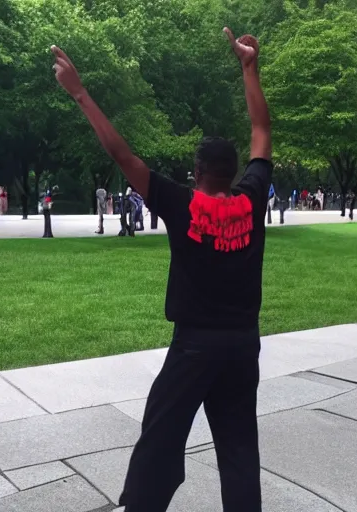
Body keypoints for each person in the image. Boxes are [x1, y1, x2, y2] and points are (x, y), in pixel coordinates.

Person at [52, 25, 271, 512]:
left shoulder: (181, 204)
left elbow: (121, 154)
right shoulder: (253, 200)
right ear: (233, 172)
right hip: (242, 344)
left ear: (197, 173)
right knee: (239, 451)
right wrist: (248, 67)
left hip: (194, 346)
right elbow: (262, 131)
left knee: (160, 440)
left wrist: (81, 93)